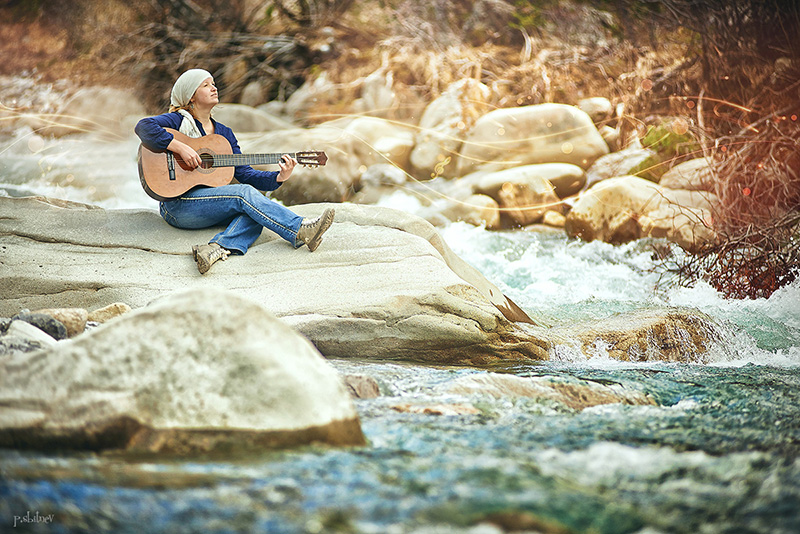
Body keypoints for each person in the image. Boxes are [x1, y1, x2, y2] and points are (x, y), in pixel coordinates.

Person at [134, 68, 334, 274]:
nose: (214, 88)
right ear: (191, 95)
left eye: (213, 83)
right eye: (206, 85)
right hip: (176, 205)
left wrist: (279, 176)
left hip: (206, 206)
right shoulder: (176, 121)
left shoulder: (224, 133)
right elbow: (143, 126)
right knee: (244, 194)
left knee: (258, 209)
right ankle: (300, 229)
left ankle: (215, 248)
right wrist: (180, 147)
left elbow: (245, 174)